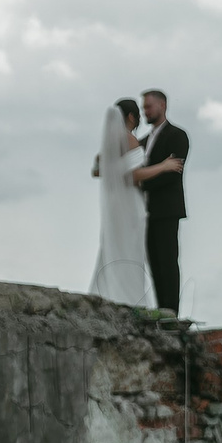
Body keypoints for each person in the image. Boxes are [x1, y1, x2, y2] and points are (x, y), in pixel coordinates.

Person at [87, 97, 151, 305]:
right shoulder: (130, 140)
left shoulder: (107, 147)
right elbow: (134, 175)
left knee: (113, 245)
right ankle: (131, 295)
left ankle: (108, 291)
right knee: (131, 247)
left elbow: (96, 172)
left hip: (115, 204)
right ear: (132, 117)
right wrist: (164, 167)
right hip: (130, 202)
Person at [130, 88, 188, 315]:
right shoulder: (143, 141)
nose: (145, 111)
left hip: (167, 209)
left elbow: (173, 173)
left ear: (162, 106)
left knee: (168, 261)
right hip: (145, 211)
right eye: (143, 107)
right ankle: (161, 308)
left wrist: (142, 182)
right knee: (154, 261)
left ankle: (171, 311)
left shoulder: (177, 136)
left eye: (148, 106)